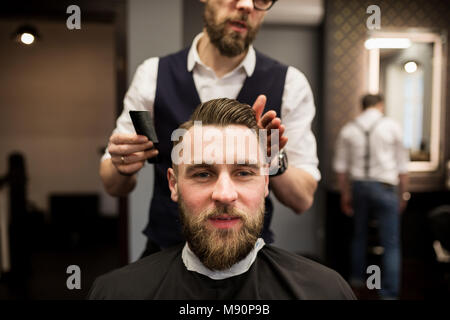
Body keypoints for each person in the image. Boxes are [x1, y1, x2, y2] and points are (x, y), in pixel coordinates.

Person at [100, 0, 320, 257]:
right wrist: (123, 163)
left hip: (248, 258)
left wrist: (271, 157)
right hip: (166, 254)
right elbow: (114, 185)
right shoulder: (153, 76)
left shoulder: (290, 84)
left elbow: (302, 199)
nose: (247, 5)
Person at [89, 98, 355, 299]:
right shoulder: (115, 293)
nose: (225, 195)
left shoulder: (326, 291)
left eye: (243, 172)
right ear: (173, 185)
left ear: (265, 182)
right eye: (203, 174)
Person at [333, 94, 410, 299]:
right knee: (390, 242)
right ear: (380, 105)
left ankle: (357, 283)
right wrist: (403, 195)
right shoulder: (392, 126)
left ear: (362, 106)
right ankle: (389, 293)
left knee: (359, 237)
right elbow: (403, 166)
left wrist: (345, 195)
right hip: (385, 187)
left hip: (359, 187)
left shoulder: (349, 129)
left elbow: (341, 169)